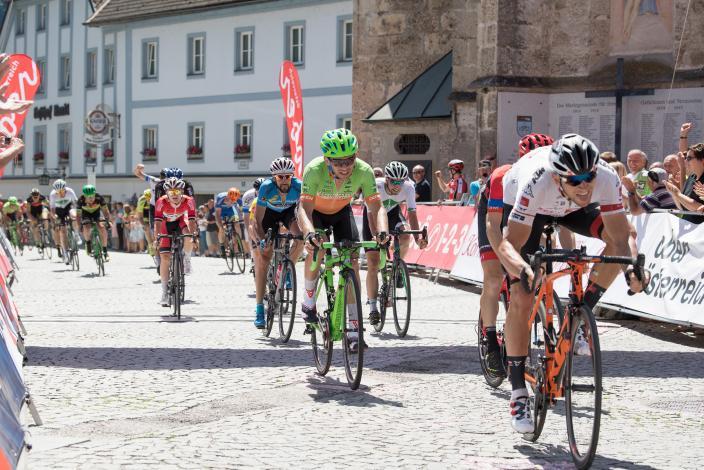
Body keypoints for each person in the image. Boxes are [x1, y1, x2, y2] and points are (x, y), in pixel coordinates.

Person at [497, 134, 648, 434]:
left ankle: (579, 311)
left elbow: (621, 235)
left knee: (618, 244)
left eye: (588, 176)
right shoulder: (535, 181)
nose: (585, 185)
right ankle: (517, 392)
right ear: (557, 177)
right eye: (576, 179)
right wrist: (524, 269)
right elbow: (507, 245)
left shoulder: (603, 177)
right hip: (532, 211)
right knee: (522, 294)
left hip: (575, 211)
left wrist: (632, 267)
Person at [297, 128, 388, 351]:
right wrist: (309, 234)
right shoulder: (314, 170)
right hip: (315, 214)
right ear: (327, 160)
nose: (345, 167)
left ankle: (354, 330)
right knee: (315, 251)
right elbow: (304, 209)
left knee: (353, 263)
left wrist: (383, 233)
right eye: (338, 163)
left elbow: (376, 207)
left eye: (349, 160)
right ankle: (308, 301)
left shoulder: (364, 170)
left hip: (341, 213)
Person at [477, 132, 554, 377]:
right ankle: (490, 340)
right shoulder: (502, 176)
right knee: (493, 277)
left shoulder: (550, 178)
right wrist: (504, 256)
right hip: (493, 217)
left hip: (522, 217)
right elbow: (493, 225)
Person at [364, 161, 427, 324]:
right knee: (373, 263)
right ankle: (372, 307)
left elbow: (412, 215)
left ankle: (398, 266)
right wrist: (374, 235)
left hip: (392, 214)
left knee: (405, 234)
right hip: (373, 215)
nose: (397, 186)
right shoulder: (375, 186)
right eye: (394, 182)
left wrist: (417, 238)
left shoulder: (409, 187)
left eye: (401, 181)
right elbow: (371, 215)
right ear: (386, 179)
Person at [251, 157, 304, 328]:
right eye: (280, 177)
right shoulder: (266, 188)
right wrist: (261, 240)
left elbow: (304, 213)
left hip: (288, 213)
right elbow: (257, 220)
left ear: (292, 176)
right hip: (268, 216)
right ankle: (259, 307)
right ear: (274, 178)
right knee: (263, 259)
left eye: (287, 176)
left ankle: (288, 269)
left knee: (300, 238)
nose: (284, 180)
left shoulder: (299, 186)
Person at [154, 177, 197, 306]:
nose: (174, 195)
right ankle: (164, 292)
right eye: (171, 192)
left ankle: (187, 259)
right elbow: (157, 222)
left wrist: (193, 235)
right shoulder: (161, 201)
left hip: (180, 222)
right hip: (165, 225)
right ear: (166, 193)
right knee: (165, 257)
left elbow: (192, 220)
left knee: (188, 235)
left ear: (182, 192)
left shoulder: (189, 201)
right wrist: (157, 238)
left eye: (177, 192)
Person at [665, 143, 704, 224]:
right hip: (689, 229)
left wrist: (678, 194)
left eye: (689, 158)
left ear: (702, 160)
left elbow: (699, 208)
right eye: (686, 158)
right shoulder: (691, 177)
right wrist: (674, 194)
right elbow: (682, 207)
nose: (685, 161)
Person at [76, 184, 112, 261]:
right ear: (84, 196)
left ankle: (105, 250)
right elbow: (78, 216)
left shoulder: (99, 198)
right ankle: (88, 243)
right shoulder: (81, 200)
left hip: (96, 214)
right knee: (86, 227)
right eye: (89, 197)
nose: (91, 198)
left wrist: (108, 221)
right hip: (86, 214)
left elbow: (105, 211)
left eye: (92, 196)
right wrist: (79, 226)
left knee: (102, 228)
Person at [49, 179, 79, 264]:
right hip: (59, 211)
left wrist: (77, 212)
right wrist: (54, 216)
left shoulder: (70, 191)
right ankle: (65, 253)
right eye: (58, 191)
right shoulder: (53, 194)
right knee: (62, 231)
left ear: (65, 189)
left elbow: (75, 203)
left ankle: (76, 234)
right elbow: (52, 209)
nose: (60, 193)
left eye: (62, 191)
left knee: (73, 215)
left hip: (68, 207)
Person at [214, 187, 244, 258]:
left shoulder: (239, 199)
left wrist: (242, 218)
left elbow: (242, 211)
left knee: (237, 224)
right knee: (221, 229)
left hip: (231, 211)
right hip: (221, 211)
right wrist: (220, 225)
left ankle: (238, 242)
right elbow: (217, 214)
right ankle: (222, 247)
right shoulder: (220, 198)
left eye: (234, 201)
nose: (232, 202)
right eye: (231, 200)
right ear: (228, 196)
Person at [136, 189, 154, 255]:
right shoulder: (142, 200)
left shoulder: (155, 199)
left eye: (150, 199)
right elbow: (140, 216)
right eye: (148, 199)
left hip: (154, 215)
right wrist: (143, 225)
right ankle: (150, 245)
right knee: (147, 229)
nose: (149, 200)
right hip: (145, 216)